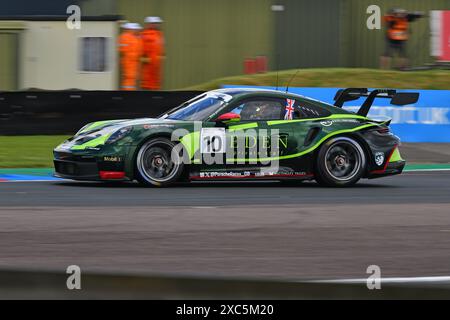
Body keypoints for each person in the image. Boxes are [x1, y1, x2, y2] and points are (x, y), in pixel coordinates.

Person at [141, 16, 165, 90]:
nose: (157, 25)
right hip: (149, 61)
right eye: (156, 23)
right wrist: (144, 56)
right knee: (148, 78)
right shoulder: (145, 34)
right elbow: (142, 47)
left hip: (156, 61)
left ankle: (155, 91)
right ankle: (148, 92)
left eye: (158, 23)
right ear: (150, 24)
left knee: (155, 78)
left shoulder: (159, 34)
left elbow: (160, 46)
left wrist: (162, 55)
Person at [118, 22, 143, 90]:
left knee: (132, 79)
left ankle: (130, 92)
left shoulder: (133, 37)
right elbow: (123, 50)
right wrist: (135, 56)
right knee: (129, 78)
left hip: (132, 62)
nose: (138, 31)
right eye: (137, 30)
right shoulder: (126, 37)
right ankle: (128, 93)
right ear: (132, 29)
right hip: (129, 62)